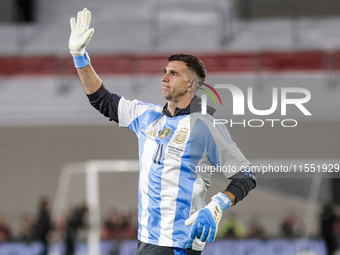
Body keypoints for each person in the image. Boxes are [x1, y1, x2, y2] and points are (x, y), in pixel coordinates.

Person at [68, 8, 256, 255]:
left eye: (173, 73)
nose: (164, 77)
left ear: (191, 84)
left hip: (178, 244)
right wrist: (80, 57)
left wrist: (217, 205)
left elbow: (245, 176)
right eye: (165, 71)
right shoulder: (146, 116)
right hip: (146, 240)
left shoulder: (205, 126)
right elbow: (102, 100)